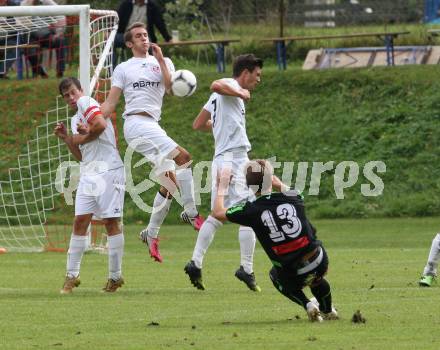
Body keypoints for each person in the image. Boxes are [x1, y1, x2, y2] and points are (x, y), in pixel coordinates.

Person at [101, 22, 203, 264]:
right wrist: (93, 119)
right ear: (129, 44)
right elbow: (111, 102)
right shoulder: (124, 68)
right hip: (136, 124)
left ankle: (151, 234)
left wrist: (160, 59)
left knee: (169, 184)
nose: (144, 39)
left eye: (146, 35)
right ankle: (191, 213)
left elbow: (170, 89)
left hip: (153, 125)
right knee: (184, 158)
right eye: (138, 36)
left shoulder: (164, 63)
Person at [212, 160, 339, 322]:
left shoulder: (251, 210)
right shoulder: (294, 197)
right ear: (271, 178)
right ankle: (328, 310)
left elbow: (217, 212)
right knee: (316, 280)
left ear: (249, 186)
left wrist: (221, 186)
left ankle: (308, 305)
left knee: (274, 274)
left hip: (292, 271)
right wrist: (277, 183)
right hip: (319, 260)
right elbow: (294, 192)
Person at [184, 54, 263, 292]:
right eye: (257, 75)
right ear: (245, 72)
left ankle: (195, 263)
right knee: (251, 213)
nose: (258, 80)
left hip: (229, 157)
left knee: (218, 216)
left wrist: (218, 125)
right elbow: (215, 84)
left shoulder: (222, 96)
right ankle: (246, 269)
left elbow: (198, 124)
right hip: (232, 158)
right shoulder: (229, 86)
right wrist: (240, 93)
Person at [54, 77, 125, 294]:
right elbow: (81, 155)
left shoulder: (87, 102)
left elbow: (101, 126)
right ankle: (71, 276)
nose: (72, 98)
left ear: (81, 90)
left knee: (111, 223)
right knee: (79, 222)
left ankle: (115, 277)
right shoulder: (76, 117)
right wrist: (68, 138)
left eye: (73, 92)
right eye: (67, 96)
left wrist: (81, 137)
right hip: (89, 172)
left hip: (109, 170)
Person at [114, 0, 172, 67]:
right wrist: (109, 32)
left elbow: (159, 23)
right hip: (125, 35)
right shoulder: (126, 4)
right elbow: (115, 20)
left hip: (144, 36)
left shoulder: (152, 6)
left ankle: (154, 69)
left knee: (151, 46)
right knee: (110, 42)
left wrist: (167, 38)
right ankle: (112, 70)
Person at [20, 0, 66, 78]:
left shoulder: (49, 2)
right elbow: (20, 21)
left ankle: (60, 71)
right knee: (28, 50)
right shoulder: (24, 4)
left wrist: (58, 33)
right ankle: (39, 71)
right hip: (30, 36)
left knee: (60, 41)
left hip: (47, 36)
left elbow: (61, 16)